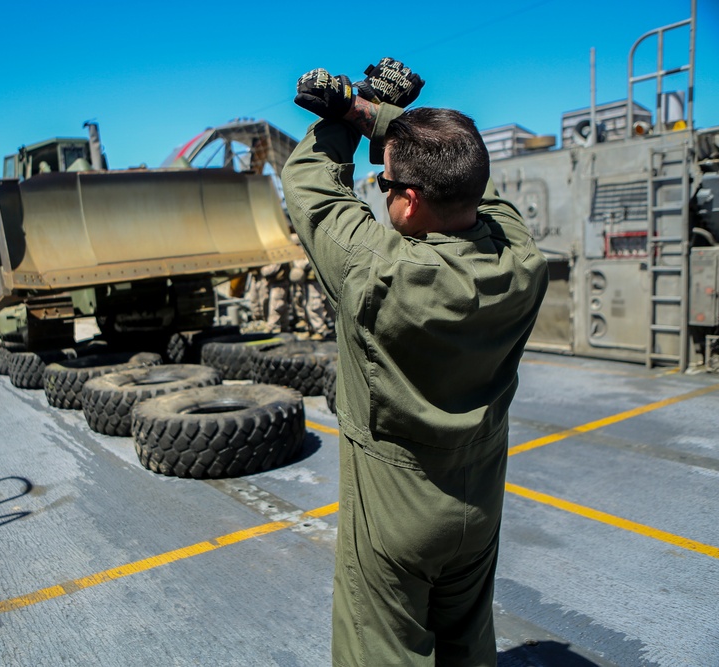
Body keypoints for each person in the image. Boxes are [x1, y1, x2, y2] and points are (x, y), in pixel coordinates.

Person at [281, 60, 548, 666]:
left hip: (394, 513)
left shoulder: (375, 271)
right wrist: (381, 116)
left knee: (382, 649)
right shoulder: (523, 261)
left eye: (385, 184)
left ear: (405, 202)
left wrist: (351, 116)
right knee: (468, 642)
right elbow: (478, 184)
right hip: (478, 503)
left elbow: (309, 186)